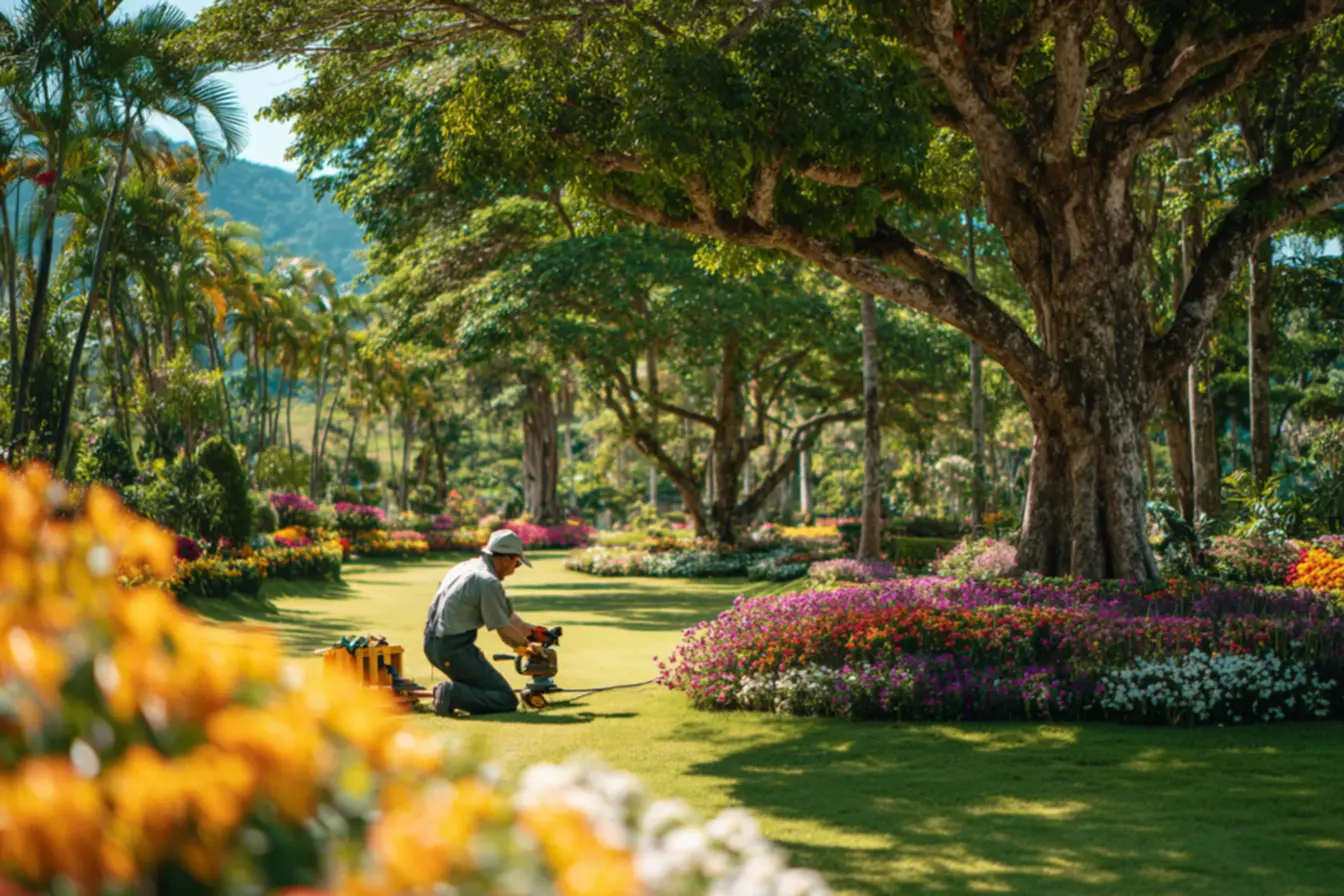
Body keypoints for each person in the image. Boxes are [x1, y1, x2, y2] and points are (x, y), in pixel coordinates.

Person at [422, 529, 547, 715]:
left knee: (485, 688)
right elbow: (505, 632)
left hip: (433, 643)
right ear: (505, 559)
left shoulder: (465, 567)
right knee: (504, 699)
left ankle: (453, 693)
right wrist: (530, 647)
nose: (515, 569)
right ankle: (450, 693)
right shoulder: (489, 582)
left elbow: (507, 616)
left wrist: (532, 631)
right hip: (453, 649)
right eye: (517, 563)